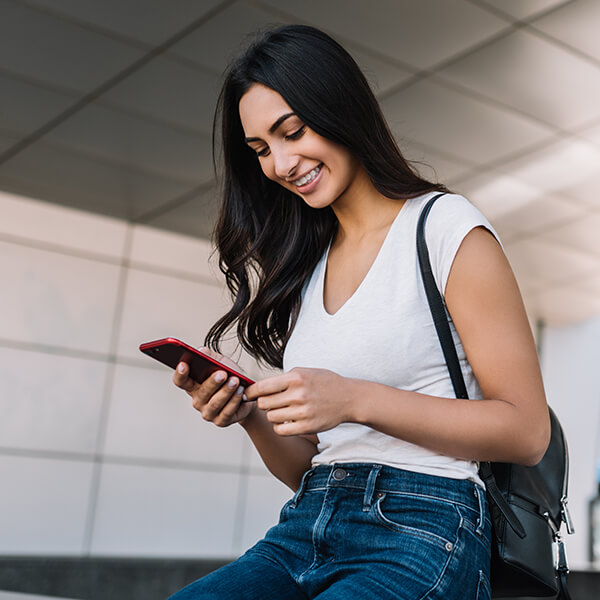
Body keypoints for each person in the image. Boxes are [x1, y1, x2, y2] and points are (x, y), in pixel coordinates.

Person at [167, 24, 550, 600]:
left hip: (425, 527)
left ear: (339, 107)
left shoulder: (444, 228)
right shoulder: (306, 266)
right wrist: (249, 414)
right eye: (261, 150)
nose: (280, 163)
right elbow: (309, 468)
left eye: (291, 132)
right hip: (308, 522)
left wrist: (354, 398)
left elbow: (526, 431)